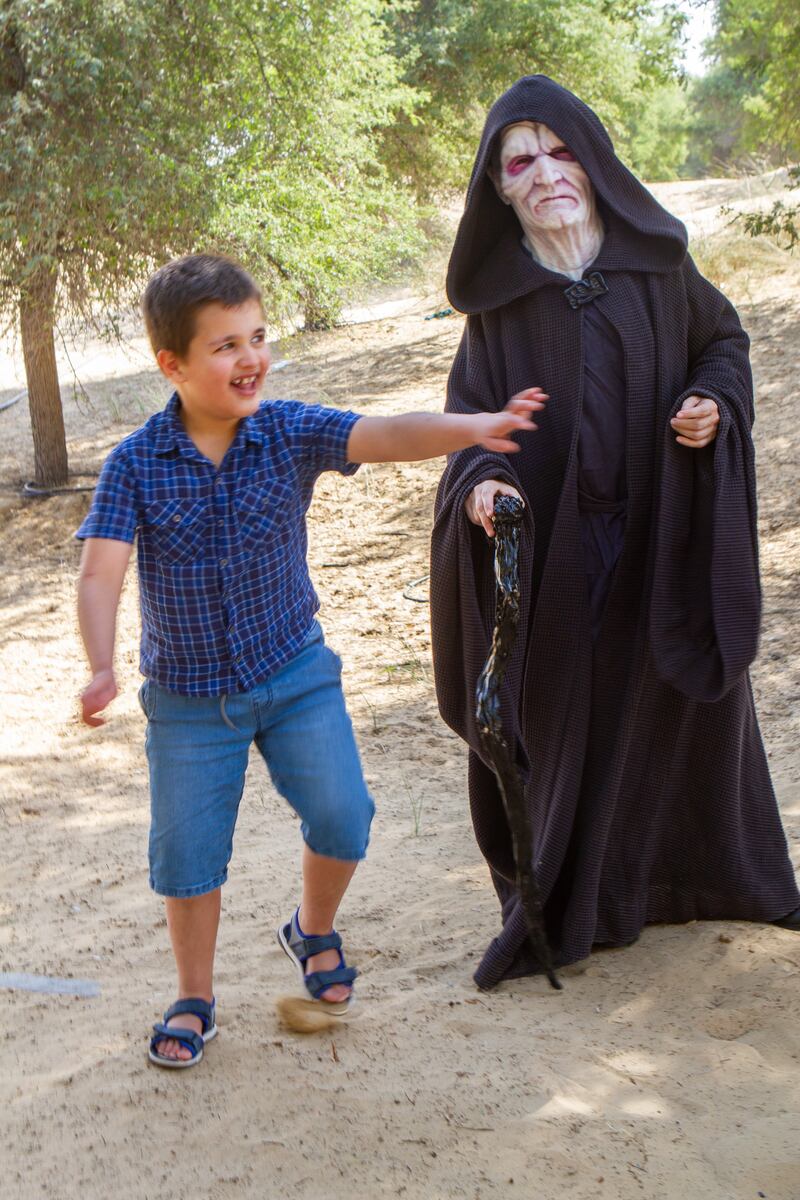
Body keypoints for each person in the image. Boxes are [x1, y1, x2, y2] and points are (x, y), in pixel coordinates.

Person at [76, 252, 545, 1067]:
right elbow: (101, 570)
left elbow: (385, 433)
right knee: (188, 862)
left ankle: (312, 929)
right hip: (189, 702)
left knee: (344, 817)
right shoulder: (134, 466)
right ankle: (194, 996)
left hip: (295, 674)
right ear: (173, 364)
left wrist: (471, 429)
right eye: (225, 345)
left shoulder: (288, 430)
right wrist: (101, 664)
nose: (250, 356)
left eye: (257, 336)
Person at [430, 75, 800, 990]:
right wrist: (483, 489)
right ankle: (572, 904)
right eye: (522, 162)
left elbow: (725, 344)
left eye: (562, 152)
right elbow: (470, 425)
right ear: (501, 189)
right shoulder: (500, 311)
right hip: (559, 552)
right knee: (563, 711)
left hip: (664, 529)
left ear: (593, 163)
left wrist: (713, 402)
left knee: (683, 702)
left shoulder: (660, 269)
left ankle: (705, 877)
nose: (547, 172)